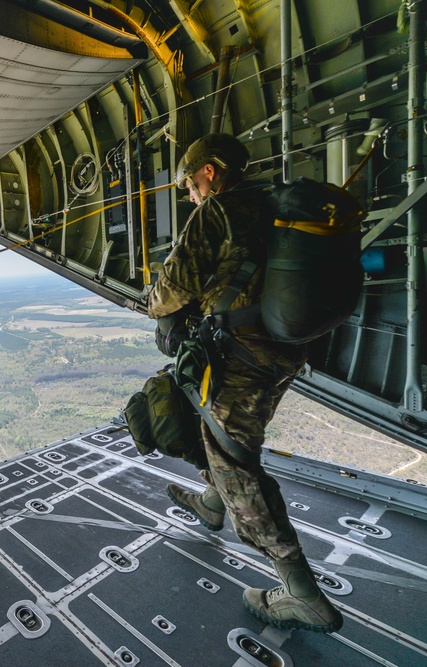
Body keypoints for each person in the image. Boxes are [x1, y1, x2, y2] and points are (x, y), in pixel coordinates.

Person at [147, 133, 343, 633]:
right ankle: (212, 505)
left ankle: (302, 591)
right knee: (215, 431)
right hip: (285, 350)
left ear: (209, 172)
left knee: (235, 459)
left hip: (241, 355)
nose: (190, 193)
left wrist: (152, 303)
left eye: (190, 183)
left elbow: (172, 289)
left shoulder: (218, 211)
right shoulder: (271, 204)